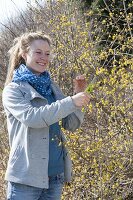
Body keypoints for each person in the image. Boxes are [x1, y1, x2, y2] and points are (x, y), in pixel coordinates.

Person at [2, 32, 90, 200]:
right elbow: (33, 118)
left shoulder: (52, 87)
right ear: (24, 53)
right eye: (38, 52)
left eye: (47, 53)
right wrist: (71, 101)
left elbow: (71, 124)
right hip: (25, 180)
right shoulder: (13, 90)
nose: (44, 57)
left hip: (55, 177)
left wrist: (78, 94)